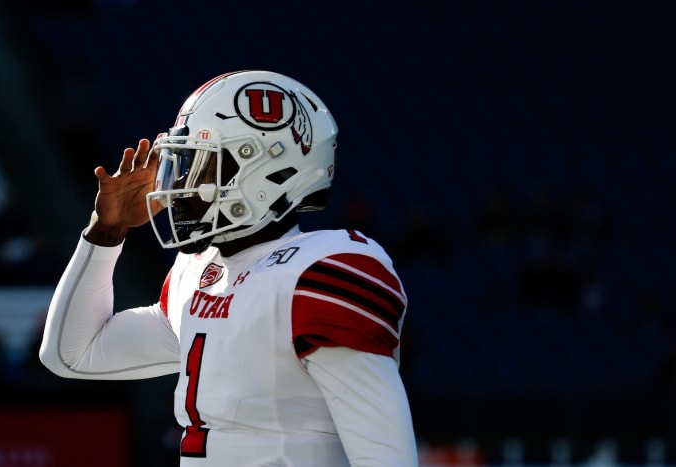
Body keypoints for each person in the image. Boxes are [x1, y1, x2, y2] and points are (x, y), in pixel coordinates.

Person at [39, 70, 418, 466]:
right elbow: (71, 354)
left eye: (201, 167)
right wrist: (106, 233)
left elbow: (386, 458)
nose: (177, 186)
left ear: (267, 172)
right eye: (181, 165)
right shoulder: (199, 273)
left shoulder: (318, 273)